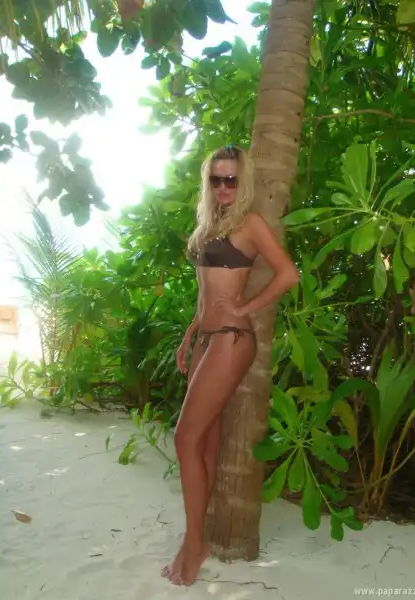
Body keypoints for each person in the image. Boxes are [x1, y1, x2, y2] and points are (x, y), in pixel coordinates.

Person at [161, 145, 300, 586]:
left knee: (184, 438)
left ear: (244, 182)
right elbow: (207, 291)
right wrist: (191, 332)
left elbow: (288, 275)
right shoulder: (211, 224)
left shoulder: (249, 224)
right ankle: (197, 536)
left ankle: (194, 544)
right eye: (216, 179)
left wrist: (245, 308)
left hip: (231, 339)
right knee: (202, 443)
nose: (223, 187)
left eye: (231, 179)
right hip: (207, 338)